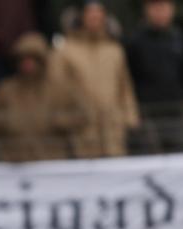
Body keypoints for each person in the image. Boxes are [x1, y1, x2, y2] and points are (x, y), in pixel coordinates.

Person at [53, 0, 140, 157]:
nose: (94, 17)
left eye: (99, 13)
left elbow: (124, 86)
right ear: (82, 17)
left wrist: (129, 117)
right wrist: (64, 119)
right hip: (82, 130)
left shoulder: (114, 50)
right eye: (90, 13)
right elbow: (58, 89)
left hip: (113, 128)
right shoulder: (66, 50)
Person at [0, 33, 88, 161]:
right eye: (23, 59)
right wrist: (9, 121)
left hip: (51, 161)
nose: (27, 64)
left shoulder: (59, 89)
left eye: (32, 59)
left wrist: (59, 120)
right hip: (14, 163)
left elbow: (82, 116)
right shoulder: (6, 89)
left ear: (42, 61)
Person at [125, 0, 183, 153]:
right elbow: (128, 79)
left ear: (172, 9)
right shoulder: (135, 42)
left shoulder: (178, 39)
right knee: (151, 156)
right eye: (155, 7)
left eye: (164, 7)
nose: (160, 12)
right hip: (147, 113)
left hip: (177, 111)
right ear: (147, 10)